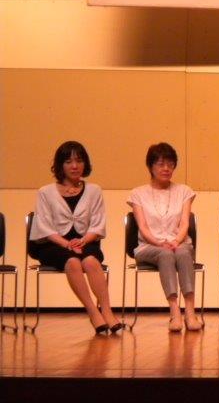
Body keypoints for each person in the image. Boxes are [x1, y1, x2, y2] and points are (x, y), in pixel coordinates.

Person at [29, 141, 122, 334]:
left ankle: (107, 311)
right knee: (72, 262)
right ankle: (93, 312)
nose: (74, 166)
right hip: (52, 244)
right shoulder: (46, 192)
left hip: (85, 241)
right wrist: (66, 244)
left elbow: (98, 224)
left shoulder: (94, 190)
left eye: (79, 161)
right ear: (60, 165)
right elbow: (44, 227)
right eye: (68, 161)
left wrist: (84, 240)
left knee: (90, 261)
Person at [127, 143, 202, 332]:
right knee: (165, 254)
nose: (166, 168)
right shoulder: (138, 193)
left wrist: (176, 241)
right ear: (150, 166)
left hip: (179, 243)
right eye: (161, 164)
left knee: (183, 253)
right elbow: (143, 227)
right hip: (148, 246)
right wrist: (159, 243)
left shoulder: (184, 191)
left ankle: (190, 312)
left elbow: (184, 223)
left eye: (170, 164)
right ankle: (174, 312)